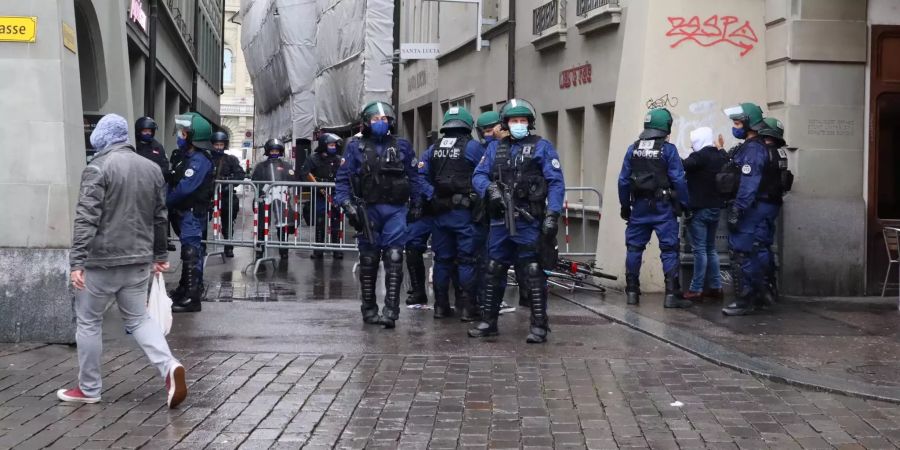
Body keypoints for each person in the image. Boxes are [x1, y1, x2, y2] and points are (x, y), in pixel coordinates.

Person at [61, 113, 187, 408]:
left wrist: (76, 262)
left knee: (89, 322)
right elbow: (160, 216)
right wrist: (159, 255)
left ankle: (89, 388)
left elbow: (86, 218)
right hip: (139, 261)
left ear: (103, 138)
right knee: (139, 319)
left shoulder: (97, 168)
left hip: (101, 262)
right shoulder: (152, 168)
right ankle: (168, 367)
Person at [471, 98, 565, 343]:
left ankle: (539, 326)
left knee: (533, 270)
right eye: (515, 120)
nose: (519, 124)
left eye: (523, 120)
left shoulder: (542, 147)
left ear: (530, 123)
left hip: (529, 219)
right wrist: (490, 189)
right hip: (501, 221)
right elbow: (478, 175)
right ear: (506, 123)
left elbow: (556, 182)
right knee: (494, 268)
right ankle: (489, 321)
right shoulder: (495, 149)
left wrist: (553, 215)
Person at [334, 101, 427, 329]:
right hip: (368, 209)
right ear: (366, 122)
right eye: (375, 119)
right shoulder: (354, 146)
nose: (380, 123)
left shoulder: (402, 146)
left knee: (395, 257)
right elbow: (343, 180)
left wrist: (417, 203)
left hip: (395, 209)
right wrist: (347, 205)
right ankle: (369, 310)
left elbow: (414, 177)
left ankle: (391, 311)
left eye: (384, 119)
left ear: (391, 122)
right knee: (368, 259)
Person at [617, 108, 692, 308]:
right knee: (669, 250)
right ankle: (671, 295)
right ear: (666, 126)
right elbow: (679, 179)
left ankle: (632, 292)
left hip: (639, 207)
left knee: (634, 248)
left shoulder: (632, 149)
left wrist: (625, 206)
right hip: (663, 207)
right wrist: (685, 204)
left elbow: (623, 180)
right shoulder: (668, 150)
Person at [419, 106, 485, 321]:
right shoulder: (473, 148)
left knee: (442, 260)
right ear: (468, 126)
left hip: (440, 214)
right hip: (464, 213)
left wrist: (432, 195)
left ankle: (440, 306)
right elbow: (486, 173)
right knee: (467, 260)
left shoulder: (433, 148)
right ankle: (466, 309)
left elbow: (419, 177)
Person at [720, 102, 779, 316]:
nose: (734, 127)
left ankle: (745, 299)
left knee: (742, 253)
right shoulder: (753, 146)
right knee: (752, 251)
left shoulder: (753, 149)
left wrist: (738, 208)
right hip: (755, 207)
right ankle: (761, 294)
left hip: (750, 208)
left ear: (749, 124)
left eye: (737, 122)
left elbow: (749, 183)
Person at [167, 112, 215, 313]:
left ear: (192, 137)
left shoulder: (199, 160)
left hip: (192, 213)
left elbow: (186, 187)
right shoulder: (186, 157)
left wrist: (165, 201)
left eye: (183, 133)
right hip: (185, 212)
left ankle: (192, 297)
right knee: (188, 251)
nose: (179, 136)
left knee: (191, 252)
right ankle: (185, 288)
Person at [477, 111, 525, 312]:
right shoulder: (484, 149)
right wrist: (490, 190)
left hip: (522, 213)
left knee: (528, 263)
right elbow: (479, 176)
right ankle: (488, 307)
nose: (491, 133)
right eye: (487, 131)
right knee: (492, 263)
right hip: (490, 213)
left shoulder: (530, 146)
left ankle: (529, 301)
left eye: (493, 129)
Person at [682, 127, 727, 300]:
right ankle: (716, 287)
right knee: (710, 249)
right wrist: (721, 147)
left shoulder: (699, 157)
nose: (692, 145)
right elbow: (727, 160)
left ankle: (696, 289)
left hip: (700, 209)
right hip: (716, 208)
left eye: (693, 141)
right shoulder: (719, 155)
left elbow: (680, 165)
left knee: (699, 250)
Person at [251, 138, 297, 260]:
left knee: (282, 223)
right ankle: (260, 248)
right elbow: (255, 181)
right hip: (264, 195)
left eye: (277, 150)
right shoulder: (261, 166)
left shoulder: (286, 165)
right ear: (267, 152)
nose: (274, 153)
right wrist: (262, 190)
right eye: (272, 151)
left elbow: (292, 179)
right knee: (262, 223)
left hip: (281, 196)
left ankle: (283, 249)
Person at [302, 133, 345, 259]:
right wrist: (316, 185)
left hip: (334, 194)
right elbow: (304, 174)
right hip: (319, 194)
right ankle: (319, 250)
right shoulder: (313, 159)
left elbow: (344, 175)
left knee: (336, 221)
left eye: (334, 145)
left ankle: (336, 249)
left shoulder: (338, 159)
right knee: (320, 221)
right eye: (331, 144)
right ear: (323, 145)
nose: (333, 147)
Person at [210, 131, 246, 258]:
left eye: (221, 144)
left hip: (226, 196)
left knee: (228, 223)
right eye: (216, 144)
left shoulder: (230, 159)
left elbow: (240, 175)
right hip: (209, 196)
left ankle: (228, 247)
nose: (219, 147)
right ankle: (201, 246)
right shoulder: (207, 158)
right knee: (202, 222)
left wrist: (229, 183)